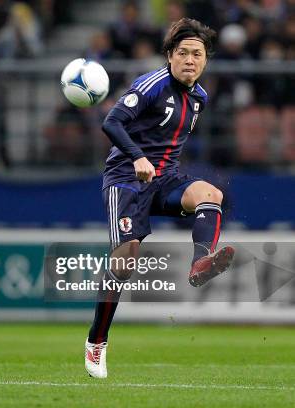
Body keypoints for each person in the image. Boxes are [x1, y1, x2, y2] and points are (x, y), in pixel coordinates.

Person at [85, 18, 234, 379]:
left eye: (197, 54)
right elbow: (112, 122)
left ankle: (201, 263)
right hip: (126, 180)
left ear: (205, 61)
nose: (190, 60)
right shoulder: (151, 84)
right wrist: (137, 157)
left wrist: (158, 170)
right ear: (169, 56)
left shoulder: (200, 97)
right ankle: (96, 341)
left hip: (165, 179)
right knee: (126, 258)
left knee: (210, 194)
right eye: (182, 53)